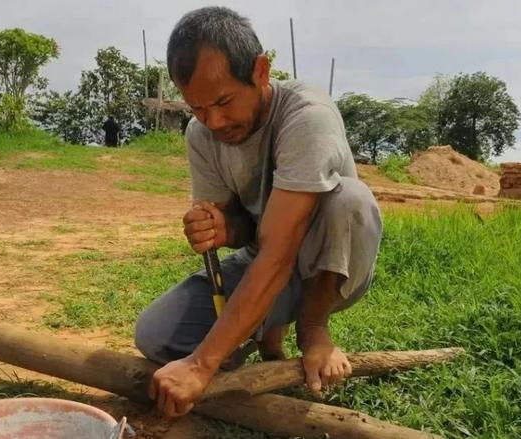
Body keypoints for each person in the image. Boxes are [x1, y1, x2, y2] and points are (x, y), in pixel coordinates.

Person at [134, 6, 383, 418]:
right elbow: (247, 229)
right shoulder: (202, 133)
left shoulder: (307, 118)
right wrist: (221, 229)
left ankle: (313, 329)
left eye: (224, 101)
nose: (213, 121)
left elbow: (280, 251)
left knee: (349, 199)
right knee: (155, 335)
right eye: (197, 109)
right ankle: (266, 333)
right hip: (267, 259)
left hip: (329, 263)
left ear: (261, 71)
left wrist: (201, 364)